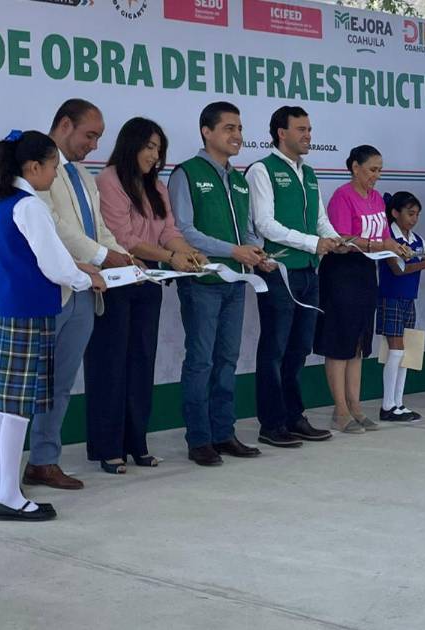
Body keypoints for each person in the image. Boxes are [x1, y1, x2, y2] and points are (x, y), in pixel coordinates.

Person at [0, 99, 131, 493]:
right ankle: (0, 473)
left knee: (58, 386)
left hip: (80, 294)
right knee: (18, 396)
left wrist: (122, 257)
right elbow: (57, 234)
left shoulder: (83, 176)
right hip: (48, 297)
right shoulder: (33, 187)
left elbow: (97, 228)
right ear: (65, 124)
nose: (94, 145)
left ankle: (43, 461)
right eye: (90, 135)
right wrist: (98, 262)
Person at [0, 129, 106, 520]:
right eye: (52, 167)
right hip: (31, 313)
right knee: (17, 411)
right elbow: (54, 266)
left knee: (7, 410)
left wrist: (77, 270)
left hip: (13, 309)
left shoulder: (5, 202)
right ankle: (7, 497)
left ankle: (3, 490)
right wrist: (87, 278)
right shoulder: (30, 206)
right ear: (33, 167)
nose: (55, 174)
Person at [88, 117, 204, 474]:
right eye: (149, 147)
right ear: (131, 144)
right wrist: (171, 257)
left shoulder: (156, 186)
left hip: (149, 280)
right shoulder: (109, 180)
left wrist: (190, 254)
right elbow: (123, 238)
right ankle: (109, 448)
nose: (155, 155)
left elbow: (169, 230)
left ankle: (136, 443)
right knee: (111, 365)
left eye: (159, 149)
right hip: (117, 279)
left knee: (141, 362)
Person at [169, 101, 270, 466]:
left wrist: (255, 251)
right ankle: (199, 439)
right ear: (206, 131)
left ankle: (223, 432)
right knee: (201, 360)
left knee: (227, 359)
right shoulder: (186, 173)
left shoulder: (239, 180)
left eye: (239, 128)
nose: (237, 135)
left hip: (236, 281)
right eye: (229, 128)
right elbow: (184, 230)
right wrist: (233, 250)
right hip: (202, 281)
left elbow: (246, 230)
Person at [246, 106, 340, 447]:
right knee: (275, 349)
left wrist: (336, 240)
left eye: (309, 129)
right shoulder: (262, 170)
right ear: (281, 133)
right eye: (301, 129)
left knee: (299, 348)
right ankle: (271, 424)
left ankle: (294, 416)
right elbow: (265, 224)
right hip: (279, 272)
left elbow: (320, 220)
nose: (308, 135)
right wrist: (313, 243)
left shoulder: (309, 172)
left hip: (309, 272)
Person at [318, 145, 409, 433]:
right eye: (372, 169)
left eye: (380, 170)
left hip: (367, 273)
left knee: (358, 343)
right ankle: (340, 410)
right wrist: (377, 244)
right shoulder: (342, 196)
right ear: (355, 167)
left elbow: (383, 237)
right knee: (340, 343)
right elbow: (341, 240)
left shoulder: (377, 199)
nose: (376, 175)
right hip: (341, 273)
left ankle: (355, 407)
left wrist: (396, 248)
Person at [377, 192, 425, 422]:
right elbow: (398, 269)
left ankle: (398, 403)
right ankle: (387, 405)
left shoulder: (416, 239)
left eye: (417, 214)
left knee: (404, 353)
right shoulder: (389, 238)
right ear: (395, 213)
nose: (414, 219)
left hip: (409, 299)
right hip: (391, 297)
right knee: (396, 351)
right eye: (410, 214)